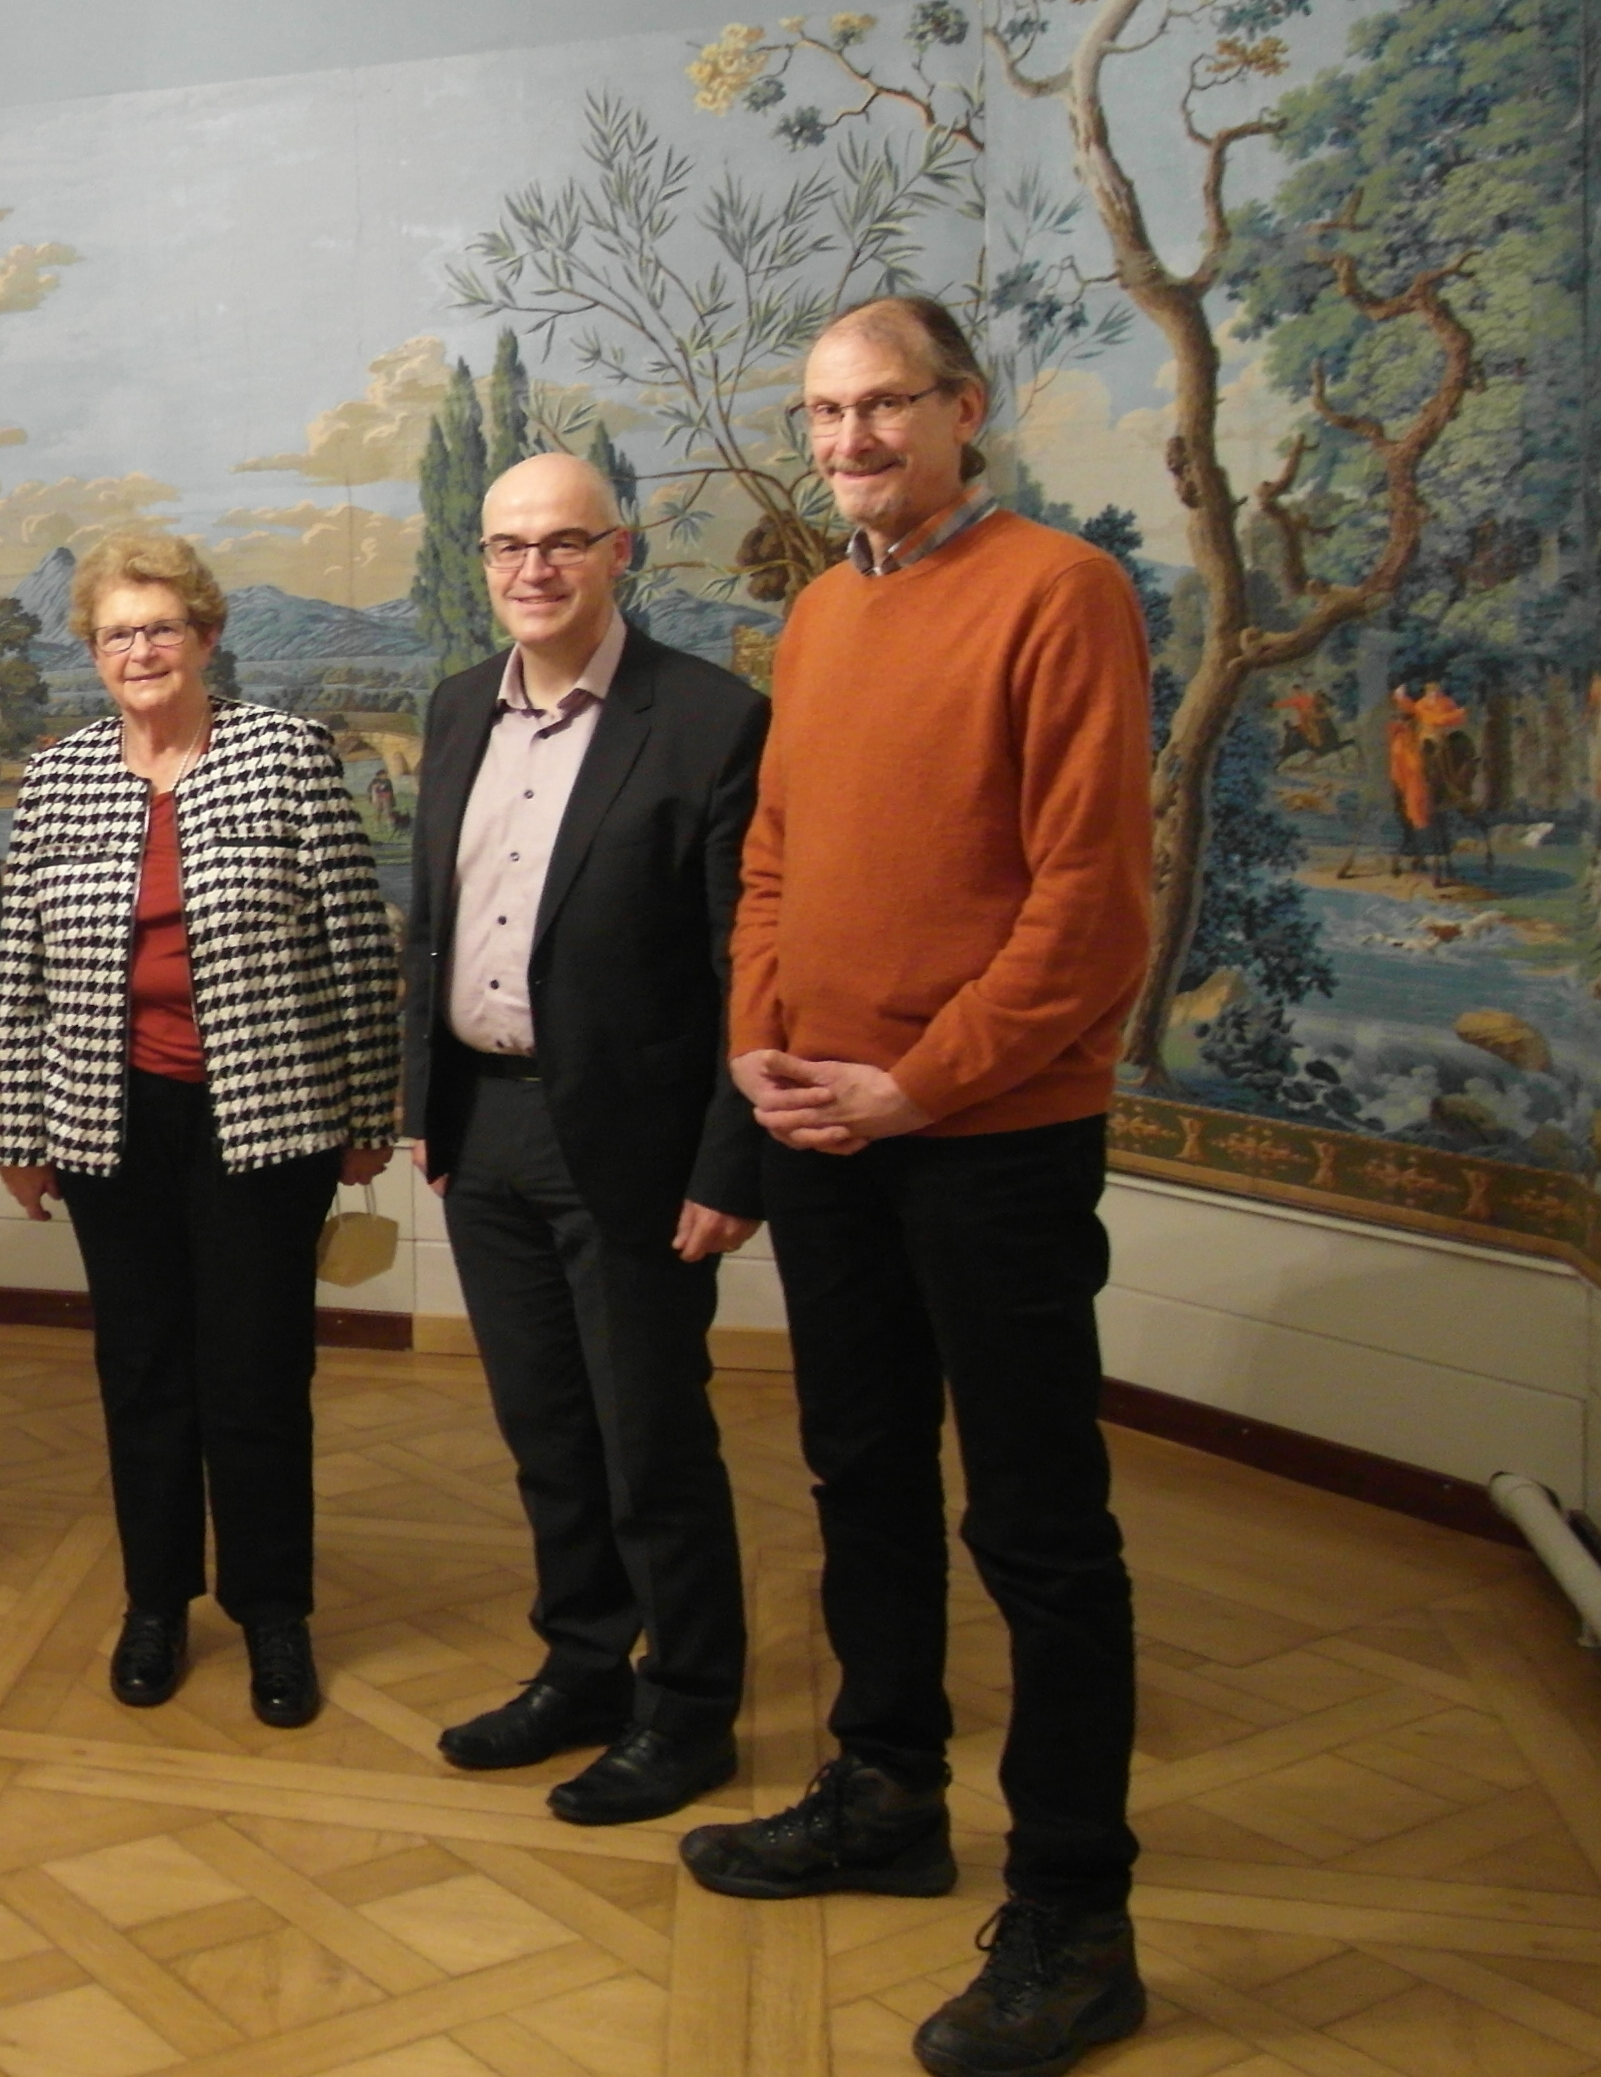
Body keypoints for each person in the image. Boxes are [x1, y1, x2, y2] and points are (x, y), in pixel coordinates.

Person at [693, 296, 1154, 2077]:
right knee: (859, 1474)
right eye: (824, 413)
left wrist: (921, 1081)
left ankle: (1074, 1917)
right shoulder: (820, 612)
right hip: (826, 1128)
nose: (851, 440)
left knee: (1037, 1526)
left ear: (964, 408)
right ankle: (885, 1792)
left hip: (990, 1140)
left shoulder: (1061, 591)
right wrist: (759, 1042)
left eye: (884, 405)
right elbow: (775, 859)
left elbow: (1087, 901)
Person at [403, 455, 767, 1823]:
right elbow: (431, 926)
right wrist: (426, 1108)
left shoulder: (710, 720)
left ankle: (692, 1711)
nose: (533, 569)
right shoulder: (457, 709)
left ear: (621, 553)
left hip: (633, 1143)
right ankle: (584, 1667)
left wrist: (730, 1162)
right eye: (508, 546)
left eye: (563, 543)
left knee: (649, 1441)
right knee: (547, 1431)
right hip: (484, 1128)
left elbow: (746, 968)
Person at [0, 527, 398, 1728]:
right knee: (143, 1372)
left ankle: (274, 1615)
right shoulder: (59, 777)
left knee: (258, 1375)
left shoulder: (285, 756)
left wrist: (370, 1114)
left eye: (161, 628)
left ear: (206, 636)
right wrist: (20, 1129)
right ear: (94, 652)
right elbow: (23, 970)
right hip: (110, 1123)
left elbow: (358, 949)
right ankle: (155, 1604)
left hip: (266, 1122)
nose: (141, 651)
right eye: (117, 634)